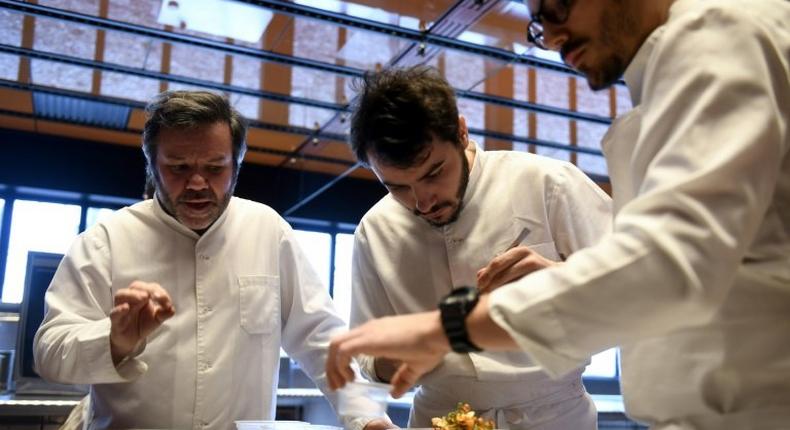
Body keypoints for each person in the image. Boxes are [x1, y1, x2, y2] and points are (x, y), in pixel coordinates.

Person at [327, 0, 790, 429]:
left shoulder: (717, 37)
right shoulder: (376, 230)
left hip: (741, 404)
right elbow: (667, 266)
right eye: (538, 22)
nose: (549, 38)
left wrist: (449, 327)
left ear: (461, 133)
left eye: (555, 7)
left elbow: (665, 263)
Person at [33, 91, 391, 430]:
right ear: (152, 164)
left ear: (237, 164)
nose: (198, 183)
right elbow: (49, 352)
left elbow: (320, 337)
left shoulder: (268, 231)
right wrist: (114, 340)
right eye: (178, 168)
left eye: (215, 168)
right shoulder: (106, 240)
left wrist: (365, 416)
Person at [347, 66, 612, 429]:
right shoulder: (374, 231)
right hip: (437, 416)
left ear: (460, 131)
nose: (423, 202)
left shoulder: (549, 184)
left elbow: (645, 293)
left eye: (434, 173)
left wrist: (564, 280)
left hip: (553, 414)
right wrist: (395, 358)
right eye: (398, 187)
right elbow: (365, 354)